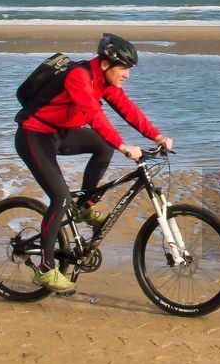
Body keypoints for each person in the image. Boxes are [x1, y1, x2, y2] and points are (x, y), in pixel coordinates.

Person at [15, 33, 173, 293]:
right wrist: (123, 145)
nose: (127, 75)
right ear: (105, 65)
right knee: (60, 197)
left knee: (102, 145)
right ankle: (45, 269)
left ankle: (85, 206)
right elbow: (93, 114)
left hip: (60, 133)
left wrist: (156, 135)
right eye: (123, 69)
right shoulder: (78, 76)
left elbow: (128, 109)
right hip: (34, 136)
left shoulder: (106, 82)